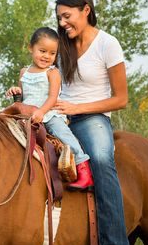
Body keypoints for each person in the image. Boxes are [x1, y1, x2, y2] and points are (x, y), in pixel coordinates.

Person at [54, 0, 129, 245]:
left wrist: (77, 107)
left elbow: (121, 98)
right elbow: (51, 82)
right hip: (58, 117)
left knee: (100, 158)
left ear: (86, 10)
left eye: (67, 16)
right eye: (59, 18)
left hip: (92, 118)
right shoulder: (61, 46)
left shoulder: (107, 44)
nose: (62, 24)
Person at [6, 27, 94, 191]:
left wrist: (41, 111)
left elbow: (53, 97)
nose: (47, 56)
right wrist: (16, 91)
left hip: (48, 114)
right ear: (30, 48)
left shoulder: (52, 73)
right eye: (42, 51)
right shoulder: (24, 72)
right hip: (28, 116)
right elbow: (24, 96)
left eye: (52, 54)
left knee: (63, 134)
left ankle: (83, 167)